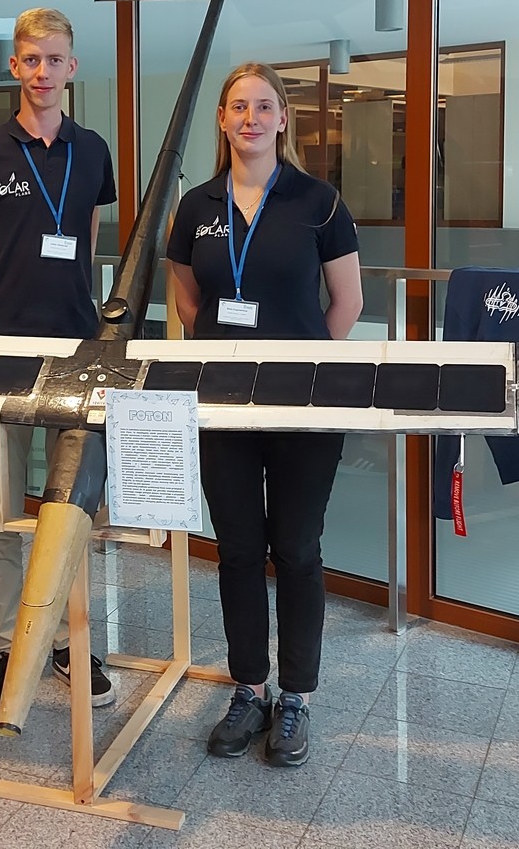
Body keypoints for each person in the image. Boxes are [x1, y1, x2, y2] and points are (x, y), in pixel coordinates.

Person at [165, 62, 363, 767]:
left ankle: (297, 697)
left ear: (283, 119)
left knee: (298, 549)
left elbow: (347, 302)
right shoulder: (196, 206)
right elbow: (187, 300)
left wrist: (301, 370)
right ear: (222, 119)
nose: (250, 118)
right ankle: (249, 688)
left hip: (304, 406)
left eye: (263, 106)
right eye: (237, 106)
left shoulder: (319, 202)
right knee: (239, 550)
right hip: (221, 405)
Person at [0, 7, 119, 720]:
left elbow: (86, 244)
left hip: (78, 353)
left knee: (71, 509)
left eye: (54, 59)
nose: (42, 71)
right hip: (3, 355)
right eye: (30, 59)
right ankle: (4, 647)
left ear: (71, 67)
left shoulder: (94, 151)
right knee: (0, 510)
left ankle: (66, 639)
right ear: (14, 65)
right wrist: (3, 316)